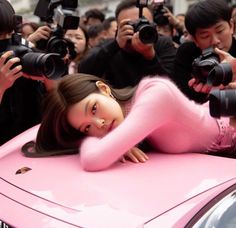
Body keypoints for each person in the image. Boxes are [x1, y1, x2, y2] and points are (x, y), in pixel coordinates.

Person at [22, 73, 236, 172]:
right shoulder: (129, 120)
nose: (100, 124)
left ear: (104, 89)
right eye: (87, 128)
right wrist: (119, 142)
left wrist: (110, 143)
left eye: (94, 108)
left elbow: (93, 160)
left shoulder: (155, 95)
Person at [78, 0, 176, 88]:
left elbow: (172, 85)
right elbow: (84, 72)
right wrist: (115, 45)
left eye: (145, 23)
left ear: (154, 25)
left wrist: (150, 56)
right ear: (119, 28)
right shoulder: (110, 47)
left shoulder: (163, 43)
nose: (140, 29)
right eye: (132, 25)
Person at [0, 0, 56, 145]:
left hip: (36, 143)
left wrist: (49, 81)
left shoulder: (24, 55)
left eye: (10, 34)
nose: (6, 44)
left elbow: (56, 108)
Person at [174, 0, 236, 104]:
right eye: (205, 36)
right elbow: (182, 100)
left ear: (231, 26)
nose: (215, 41)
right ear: (195, 40)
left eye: (220, 31)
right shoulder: (187, 53)